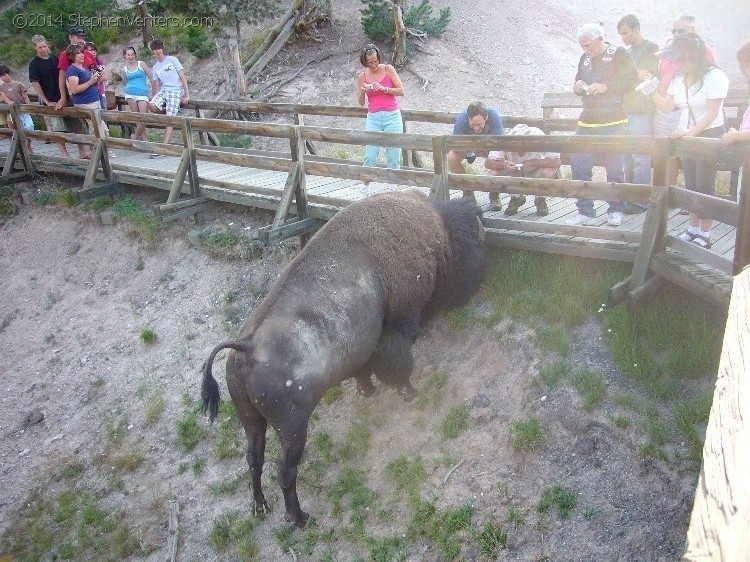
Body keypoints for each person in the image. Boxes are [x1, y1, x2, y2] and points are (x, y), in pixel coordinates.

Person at [650, 33, 729, 249]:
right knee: (692, 184)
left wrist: (691, 134)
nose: (675, 63)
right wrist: (649, 92)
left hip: (708, 135)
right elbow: (668, 107)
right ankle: (692, 229)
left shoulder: (715, 76)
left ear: (692, 55)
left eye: (678, 59)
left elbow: (712, 114)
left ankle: (706, 233)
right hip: (687, 135)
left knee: (705, 184)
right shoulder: (679, 79)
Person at [568, 23, 638, 227]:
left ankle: (616, 210)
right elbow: (577, 81)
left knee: (615, 166)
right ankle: (585, 211)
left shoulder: (618, 53)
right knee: (578, 164)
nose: (585, 49)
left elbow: (631, 80)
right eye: (582, 46)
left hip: (614, 119)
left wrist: (607, 86)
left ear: (600, 38)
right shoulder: (584, 58)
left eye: (588, 45)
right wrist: (578, 86)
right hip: (588, 120)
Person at [653, 14, 718, 198]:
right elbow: (664, 77)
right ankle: (674, 198)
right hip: (671, 107)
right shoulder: (670, 56)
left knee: (700, 172)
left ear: (693, 30)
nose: (676, 34)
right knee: (670, 155)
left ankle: (698, 212)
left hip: (690, 113)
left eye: (681, 31)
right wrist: (652, 91)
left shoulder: (704, 54)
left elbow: (709, 89)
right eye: (674, 31)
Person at [617, 14, 659, 214]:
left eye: (625, 33)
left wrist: (627, 75)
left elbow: (645, 74)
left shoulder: (651, 48)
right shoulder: (626, 52)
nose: (623, 38)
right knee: (626, 154)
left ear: (636, 29)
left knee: (640, 154)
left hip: (642, 109)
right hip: (625, 109)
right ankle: (629, 196)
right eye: (620, 34)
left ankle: (641, 199)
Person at [356, 44, 405, 193]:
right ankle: (365, 185)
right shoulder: (362, 76)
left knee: (393, 151)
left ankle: (393, 185)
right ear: (365, 62)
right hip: (373, 117)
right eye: (370, 62)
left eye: (376, 61)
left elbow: (401, 91)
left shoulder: (388, 69)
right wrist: (363, 91)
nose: (374, 65)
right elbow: (361, 102)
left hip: (392, 115)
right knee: (371, 152)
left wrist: (384, 89)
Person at [484, 123, 559, 216]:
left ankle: (540, 198)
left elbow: (556, 162)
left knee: (549, 173)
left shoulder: (539, 138)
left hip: (535, 171)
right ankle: (516, 198)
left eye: (523, 148)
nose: (519, 152)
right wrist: (504, 165)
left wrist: (533, 163)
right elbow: (487, 163)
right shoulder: (506, 140)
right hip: (513, 172)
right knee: (492, 174)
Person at [447, 100, 504, 202]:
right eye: (473, 125)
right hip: (468, 145)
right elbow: (455, 146)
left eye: (480, 124)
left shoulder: (494, 116)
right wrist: (471, 148)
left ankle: (494, 194)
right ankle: (467, 190)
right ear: (468, 118)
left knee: (499, 160)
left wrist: (483, 148)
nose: (476, 128)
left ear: (486, 118)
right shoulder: (462, 118)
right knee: (451, 157)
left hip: (490, 145)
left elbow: (500, 145)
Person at [65, 43, 112, 154]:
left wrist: (96, 79)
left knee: (97, 127)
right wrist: (90, 81)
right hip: (84, 103)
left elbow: (95, 82)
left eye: (81, 52)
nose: (81, 55)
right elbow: (74, 89)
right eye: (78, 53)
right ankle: (100, 151)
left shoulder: (85, 68)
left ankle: (98, 151)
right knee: (99, 127)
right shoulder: (72, 70)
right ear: (72, 56)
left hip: (94, 100)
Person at [28, 34, 70, 158]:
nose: (43, 49)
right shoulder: (34, 64)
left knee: (73, 124)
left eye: (44, 46)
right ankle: (64, 153)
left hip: (61, 95)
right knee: (57, 127)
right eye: (40, 47)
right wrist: (46, 101)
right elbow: (35, 83)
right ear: (35, 48)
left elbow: (63, 74)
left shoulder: (54, 59)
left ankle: (82, 151)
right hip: (49, 97)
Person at [58, 27, 96, 159]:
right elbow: (62, 75)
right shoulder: (66, 54)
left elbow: (95, 70)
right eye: (79, 37)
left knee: (97, 123)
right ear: (71, 37)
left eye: (83, 37)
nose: (82, 40)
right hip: (78, 95)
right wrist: (63, 96)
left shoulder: (88, 54)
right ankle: (87, 152)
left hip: (94, 94)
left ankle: (94, 151)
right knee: (81, 125)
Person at [148, 39, 189, 148]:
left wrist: (186, 94)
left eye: (159, 48)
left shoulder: (172, 60)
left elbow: (182, 77)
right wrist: (155, 96)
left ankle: (165, 145)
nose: (158, 51)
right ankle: (168, 112)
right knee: (151, 105)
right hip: (164, 90)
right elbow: (157, 83)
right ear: (153, 51)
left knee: (169, 120)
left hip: (175, 90)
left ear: (162, 49)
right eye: (155, 49)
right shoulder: (156, 67)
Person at [120, 46, 153, 141]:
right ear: (125, 56)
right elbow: (126, 82)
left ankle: (134, 137)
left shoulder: (141, 64)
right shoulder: (124, 69)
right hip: (130, 94)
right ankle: (145, 140)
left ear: (135, 55)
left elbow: (151, 76)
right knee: (137, 118)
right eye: (128, 55)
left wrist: (154, 92)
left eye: (132, 55)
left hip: (142, 93)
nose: (131, 57)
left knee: (144, 117)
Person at [0, 65, 34, 153]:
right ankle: (18, 150)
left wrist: (29, 106)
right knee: (13, 130)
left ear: (8, 74)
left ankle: (29, 147)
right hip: (12, 111)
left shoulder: (18, 84)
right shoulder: (2, 87)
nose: (3, 77)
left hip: (22, 109)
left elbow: (25, 97)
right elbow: (4, 96)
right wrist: (9, 102)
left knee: (29, 127)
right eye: (1, 76)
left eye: (4, 75)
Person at [84, 41, 110, 110]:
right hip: (90, 94)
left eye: (94, 50)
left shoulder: (100, 62)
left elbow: (105, 77)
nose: (93, 52)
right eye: (90, 50)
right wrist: (97, 77)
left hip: (101, 92)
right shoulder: (84, 64)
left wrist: (93, 79)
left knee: (104, 113)